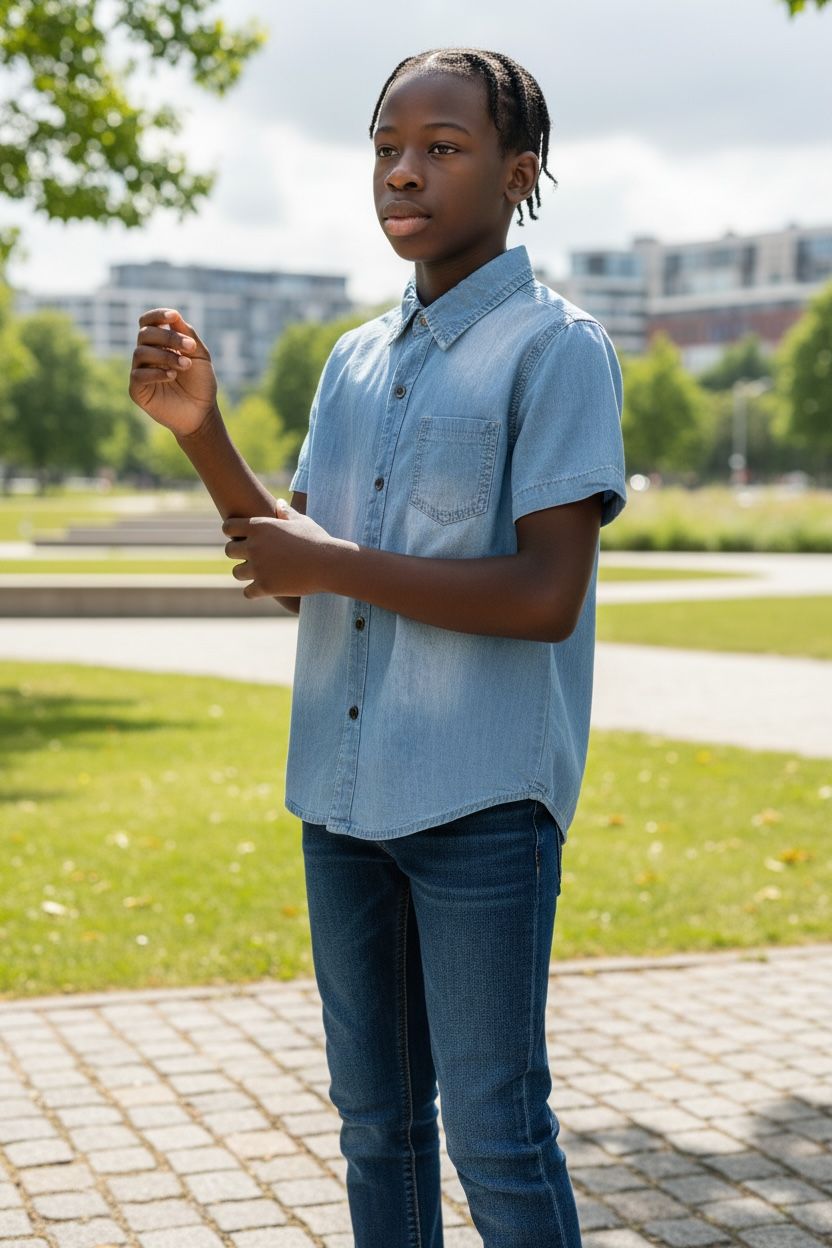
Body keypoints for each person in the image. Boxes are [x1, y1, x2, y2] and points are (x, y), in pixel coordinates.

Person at [129, 46, 627, 1248]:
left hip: (481, 812)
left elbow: (544, 593)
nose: (404, 173)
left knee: (498, 1134)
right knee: (374, 1129)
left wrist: (330, 565)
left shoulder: (558, 353)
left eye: (441, 149)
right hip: (342, 807)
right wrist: (203, 435)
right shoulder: (352, 363)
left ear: (519, 174)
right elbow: (296, 569)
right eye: (386, 148)